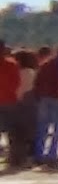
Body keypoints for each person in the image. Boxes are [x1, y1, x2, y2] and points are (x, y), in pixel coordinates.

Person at [34, 44, 58, 166]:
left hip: (44, 98)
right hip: (56, 98)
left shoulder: (46, 64)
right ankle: (52, 155)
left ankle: (39, 154)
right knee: (57, 128)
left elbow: (37, 81)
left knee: (42, 127)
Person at [0, 41, 20, 170]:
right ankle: (14, 158)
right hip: (9, 100)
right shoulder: (12, 64)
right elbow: (17, 83)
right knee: (12, 131)